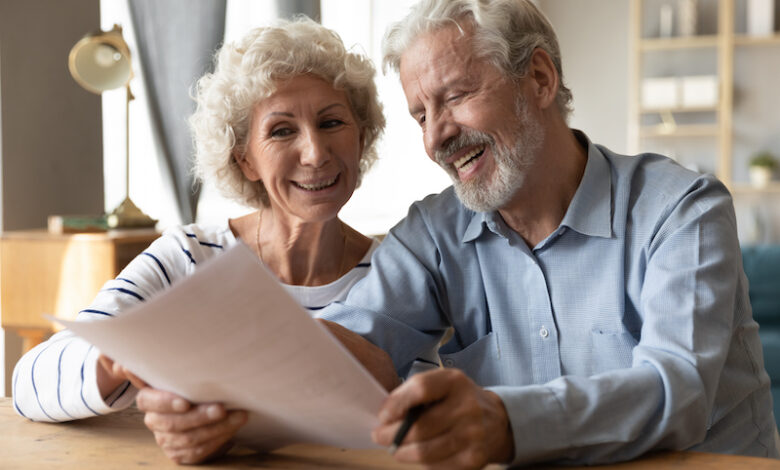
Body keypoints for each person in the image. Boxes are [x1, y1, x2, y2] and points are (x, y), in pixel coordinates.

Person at [317, 0, 780, 468]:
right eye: (421, 116)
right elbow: (353, 345)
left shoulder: (682, 209)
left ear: (539, 78)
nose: (435, 138)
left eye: (455, 96)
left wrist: (507, 423)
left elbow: (677, 390)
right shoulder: (433, 235)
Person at [13, 17, 398, 464]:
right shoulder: (188, 255)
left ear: (361, 137)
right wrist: (115, 360)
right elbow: (28, 382)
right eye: (281, 130)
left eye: (332, 122)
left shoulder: (397, 272)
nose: (315, 152)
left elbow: (424, 406)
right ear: (245, 159)